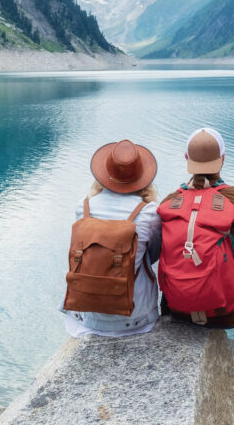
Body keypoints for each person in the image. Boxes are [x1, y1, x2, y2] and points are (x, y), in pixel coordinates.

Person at [160, 128, 234, 367]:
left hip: (178, 310)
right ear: (223, 159)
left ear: (186, 159)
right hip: (227, 312)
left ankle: (168, 319)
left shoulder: (170, 202)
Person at [61, 139, 162, 337]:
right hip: (136, 319)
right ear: (142, 177)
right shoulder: (150, 212)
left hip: (88, 317)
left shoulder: (83, 208)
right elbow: (154, 254)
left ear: (104, 175)